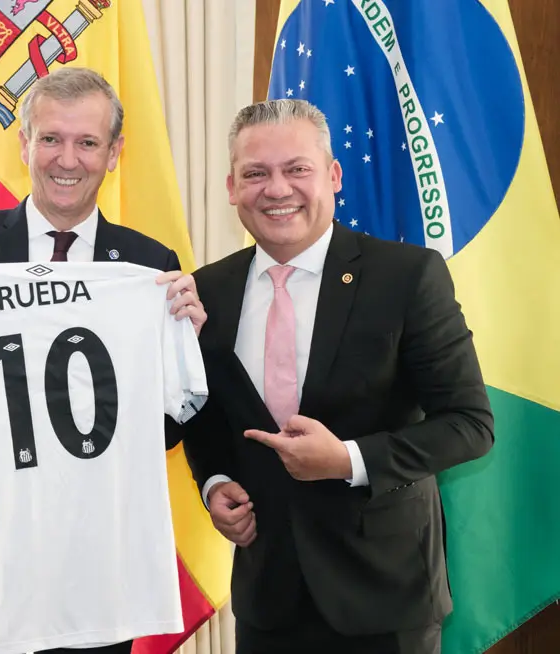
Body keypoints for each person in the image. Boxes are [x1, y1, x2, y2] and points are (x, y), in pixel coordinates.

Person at [0, 67, 206, 654]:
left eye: (87, 142)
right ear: (24, 145)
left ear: (115, 153)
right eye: (50, 138)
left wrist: (182, 352)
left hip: (91, 576)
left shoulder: (150, 269)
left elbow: (168, 429)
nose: (66, 159)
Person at [179, 98, 494, 654]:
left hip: (384, 599)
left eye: (296, 168)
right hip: (267, 597)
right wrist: (215, 485)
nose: (277, 189)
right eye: (256, 173)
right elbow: (208, 419)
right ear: (232, 187)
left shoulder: (408, 277)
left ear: (332, 175)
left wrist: (349, 460)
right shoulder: (208, 292)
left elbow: (469, 424)